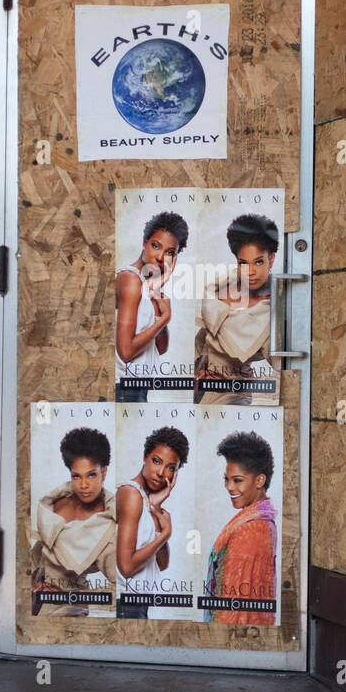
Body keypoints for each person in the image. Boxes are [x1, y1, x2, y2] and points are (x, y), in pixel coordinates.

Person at [30, 427, 116, 617]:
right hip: (28, 607)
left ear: (104, 472)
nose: (84, 485)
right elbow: (34, 559)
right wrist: (31, 587)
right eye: (77, 476)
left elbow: (126, 589)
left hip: (66, 617)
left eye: (91, 475)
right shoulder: (53, 504)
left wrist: (70, 596)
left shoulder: (108, 524)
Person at [194, 212, 279, 404]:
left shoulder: (274, 310)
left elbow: (286, 365)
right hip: (197, 388)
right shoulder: (221, 286)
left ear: (271, 259)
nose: (250, 272)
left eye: (259, 261)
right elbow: (202, 340)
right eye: (243, 263)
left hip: (232, 394)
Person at [204, 431, 278, 626]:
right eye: (226, 479)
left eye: (237, 480)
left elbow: (234, 609)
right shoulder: (260, 519)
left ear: (259, 481)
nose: (229, 487)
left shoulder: (251, 530)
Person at [115, 425, 189, 619]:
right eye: (157, 461)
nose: (161, 472)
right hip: (127, 603)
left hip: (141, 604)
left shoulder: (147, 502)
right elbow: (127, 567)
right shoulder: (131, 494)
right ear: (144, 457)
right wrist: (165, 534)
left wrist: (155, 510)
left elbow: (161, 564)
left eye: (171, 468)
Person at [115, 211, 189, 403]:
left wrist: (157, 295)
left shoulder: (148, 286)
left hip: (139, 388)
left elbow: (160, 348)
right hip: (125, 388)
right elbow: (126, 351)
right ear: (144, 243)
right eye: (156, 246)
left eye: (170, 252)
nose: (160, 256)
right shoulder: (130, 279)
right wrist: (165, 319)